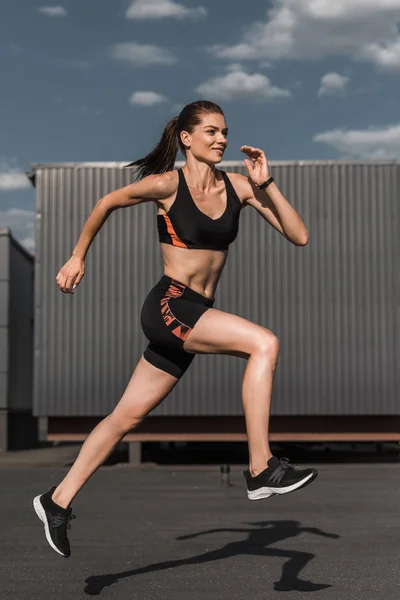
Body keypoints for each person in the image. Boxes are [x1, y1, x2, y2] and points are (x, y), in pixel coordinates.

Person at [33, 100, 317, 558]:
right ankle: (262, 468)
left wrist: (268, 184)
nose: (221, 139)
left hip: (196, 312)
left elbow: (299, 235)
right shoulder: (167, 184)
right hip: (170, 304)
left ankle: (56, 500)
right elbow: (107, 202)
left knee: (126, 416)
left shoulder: (241, 187)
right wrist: (77, 256)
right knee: (264, 343)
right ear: (186, 138)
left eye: (224, 131)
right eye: (210, 131)